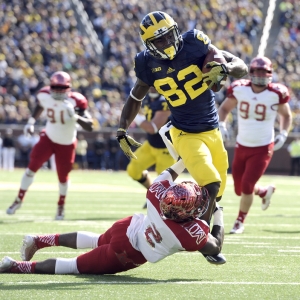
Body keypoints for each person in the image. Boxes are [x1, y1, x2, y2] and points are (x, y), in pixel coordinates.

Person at [116, 11, 248, 226]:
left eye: (169, 35)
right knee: (211, 184)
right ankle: (200, 235)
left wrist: (226, 68)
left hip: (212, 130)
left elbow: (241, 67)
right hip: (184, 132)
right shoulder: (146, 63)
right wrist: (122, 129)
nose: (167, 41)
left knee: (219, 192)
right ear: (149, 43)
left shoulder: (194, 43)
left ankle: (212, 234)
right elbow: (135, 96)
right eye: (159, 39)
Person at [0, 159, 225, 275]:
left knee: (98, 240)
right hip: (130, 252)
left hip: (127, 227)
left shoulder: (157, 194)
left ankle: (40, 240)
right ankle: (15, 266)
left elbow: (170, 171)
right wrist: (219, 213)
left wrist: (186, 158)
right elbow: (215, 246)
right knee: (74, 267)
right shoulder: (186, 233)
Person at [218, 56, 292, 234]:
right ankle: (264, 192)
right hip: (242, 144)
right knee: (239, 189)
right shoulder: (240, 89)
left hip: (263, 147)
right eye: (257, 72)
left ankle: (239, 221)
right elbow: (224, 109)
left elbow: (286, 116)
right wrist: (222, 124)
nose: (260, 76)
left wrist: (283, 133)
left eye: (263, 72)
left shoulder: (276, 93)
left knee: (247, 185)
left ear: (270, 74)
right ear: (250, 73)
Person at [6, 71, 93, 220]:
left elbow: (90, 126)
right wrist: (31, 121)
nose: (58, 91)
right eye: (55, 87)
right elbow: (40, 106)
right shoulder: (44, 94)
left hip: (66, 142)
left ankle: (60, 205)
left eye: (62, 87)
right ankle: (19, 199)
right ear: (50, 86)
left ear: (69, 87)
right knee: (31, 167)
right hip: (49, 137)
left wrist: (75, 116)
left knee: (63, 177)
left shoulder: (77, 101)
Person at [128, 87, 176, 208]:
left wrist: (133, 116)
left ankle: (169, 206)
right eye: (151, 85)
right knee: (133, 170)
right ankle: (152, 194)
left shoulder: (166, 101)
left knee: (164, 184)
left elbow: (153, 128)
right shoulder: (148, 98)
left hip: (166, 148)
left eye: (155, 85)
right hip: (150, 144)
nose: (152, 88)